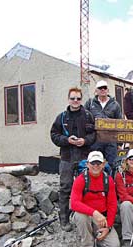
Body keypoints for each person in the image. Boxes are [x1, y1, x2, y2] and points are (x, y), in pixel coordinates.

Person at [50, 87, 95, 232]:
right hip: (67, 157)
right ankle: (64, 219)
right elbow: (54, 135)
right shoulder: (61, 117)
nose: (75, 101)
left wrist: (85, 141)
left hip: (84, 157)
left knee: (87, 188)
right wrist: (66, 140)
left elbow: (94, 135)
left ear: (81, 99)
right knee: (65, 188)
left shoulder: (88, 116)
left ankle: (87, 217)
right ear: (68, 99)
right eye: (72, 98)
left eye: (78, 98)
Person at [70, 151, 120, 247]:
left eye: (98, 163)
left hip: (102, 218)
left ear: (103, 164)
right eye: (93, 163)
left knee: (114, 245)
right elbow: (74, 203)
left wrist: (108, 227)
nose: (96, 166)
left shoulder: (108, 180)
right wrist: (94, 213)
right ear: (87, 164)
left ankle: (92, 236)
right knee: (80, 215)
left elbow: (112, 204)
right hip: (87, 215)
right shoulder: (80, 180)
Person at [84, 80, 123, 170]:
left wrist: (119, 143)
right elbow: (84, 120)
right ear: (96, 91)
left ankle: (111, 183)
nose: (102, 90)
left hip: (111, 140)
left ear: (108, 90)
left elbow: (120, 123)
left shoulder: (115, 104)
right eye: (100, 88)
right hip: (95, 139)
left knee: (113, 165)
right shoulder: (89, 103)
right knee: (94, 164)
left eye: (104, 88)